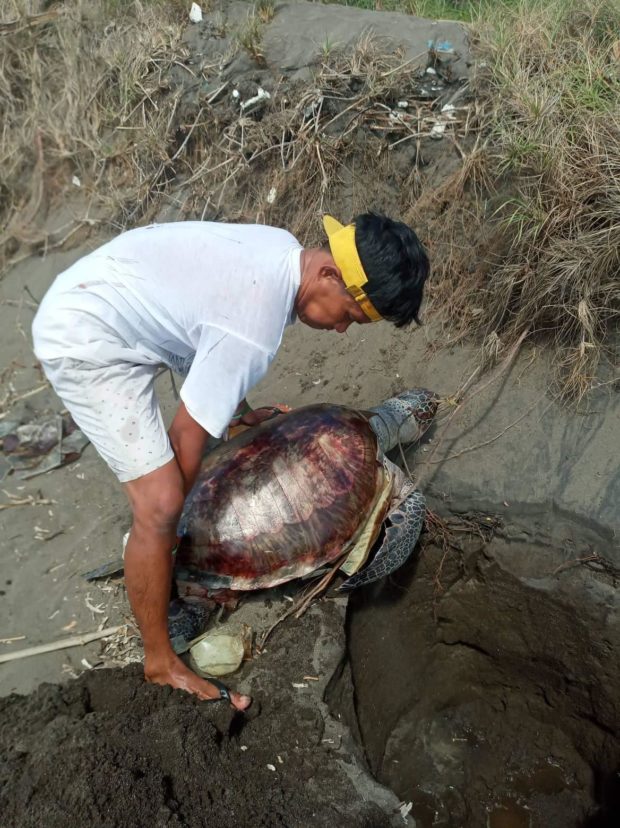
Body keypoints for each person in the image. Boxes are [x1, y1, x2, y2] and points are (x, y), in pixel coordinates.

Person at [31, 212, 429, 709]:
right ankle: (160, 659)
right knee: (160, 504)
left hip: (99, 292)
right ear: (329, 274)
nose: (344, 331)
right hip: (88, 339)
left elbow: (208, 320)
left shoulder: (280, 248)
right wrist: (171, 537)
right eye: (349, 315)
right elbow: (186, 439)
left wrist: (235, 413)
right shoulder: (255, 328)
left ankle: (168, 567)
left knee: (179, 485)